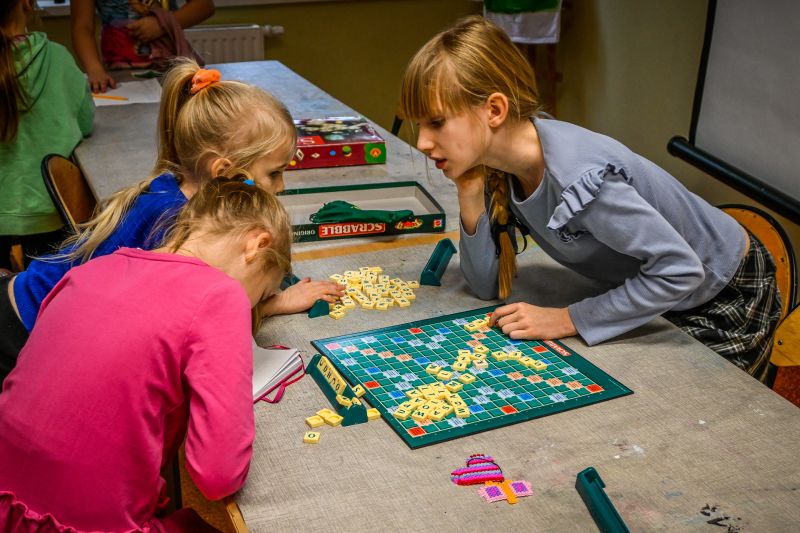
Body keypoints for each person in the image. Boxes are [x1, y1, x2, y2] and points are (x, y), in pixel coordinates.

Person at [398, 16, 781, 381]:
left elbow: (679, 270)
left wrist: (566, 319)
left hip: (723, 294)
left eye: (436, 122)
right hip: (656, 289)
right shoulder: (505, 162)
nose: (422, 143)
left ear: (494, 110)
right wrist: (468, 190)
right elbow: (485, 285)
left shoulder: (579, 181)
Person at [0, 59, 343, 383]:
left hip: (23, 302)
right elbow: (191, 330)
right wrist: (278, 303)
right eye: (274, 173)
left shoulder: (176, 187)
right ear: (223, 171)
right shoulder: (178, 226)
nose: (281, 187)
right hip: (23, 332)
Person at [0, 177, 291, 532]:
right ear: (257, 244)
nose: (254, 308)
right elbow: (218, 475)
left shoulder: (92, 270)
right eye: (261, 295)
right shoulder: (222, 295)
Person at [0, 0, 94, 272]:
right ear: (26, 4)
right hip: (49, 209)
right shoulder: (57, 57)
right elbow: (85, 122)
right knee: (46, 292)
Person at [71, 0, 215, 93]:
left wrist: (161, 24)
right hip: (118, 76)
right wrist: (95, 70)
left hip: (172, 68)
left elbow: (204, 6)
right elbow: (82, 26)